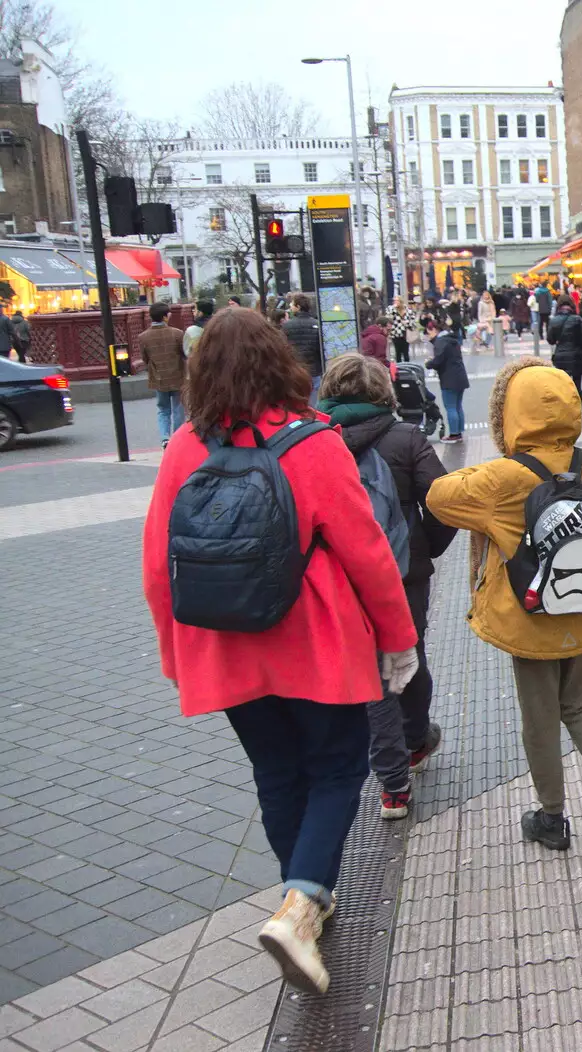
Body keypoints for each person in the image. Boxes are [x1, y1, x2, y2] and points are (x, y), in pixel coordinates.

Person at [140, 307, 418, 994]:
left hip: (226, 647)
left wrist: (177, 653)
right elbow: (369, 556)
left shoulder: (184, 448)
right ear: (283, 363)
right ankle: (301, 904)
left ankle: (305, 898)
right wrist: (398, 640)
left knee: (277, 773)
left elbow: (155, 566)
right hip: (315, 644)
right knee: (335, 768)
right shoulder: (313, 443)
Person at [426, 359, 582, 850]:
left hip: (532, 618)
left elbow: (439, 497)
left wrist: (489, 469)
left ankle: (552, 817)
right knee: (580, 706)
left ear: (510, 413)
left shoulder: (503, 477)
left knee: (541, 722)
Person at [316, 355, 454, 819]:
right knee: (406, 656)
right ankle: (410, 751)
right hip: (403, 574)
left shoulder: (316, 440)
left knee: (371, 670)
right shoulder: (405, 437)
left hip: (344, 575)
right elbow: (444, 502)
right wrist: (424, 549)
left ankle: (394, 780)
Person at [139, 302, 187, 446]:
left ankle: (165, 437)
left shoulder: (143, 337)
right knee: (179, 409)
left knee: (163, 409)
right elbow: (184, 354)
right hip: (178, 377)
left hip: (159, 378)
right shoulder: (177, 334)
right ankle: (177, 437)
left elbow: (145, 359)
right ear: (165, 317)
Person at [424, 316, 468, 442]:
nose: (428, 336)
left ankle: (454, 434)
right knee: (458, 406)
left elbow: (438, 361)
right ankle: (459, 431)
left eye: (429, 332)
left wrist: (428, 363)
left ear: (434, 330)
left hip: (449, 379)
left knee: (450, 407)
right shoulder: (451, 339)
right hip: (460, 376)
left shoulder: (440, 342)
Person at [545, 294, 582, 394]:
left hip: (560, 357)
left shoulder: (554, 320)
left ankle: (565, 407)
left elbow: (550, 340)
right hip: (576, 356)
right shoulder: (577, 319)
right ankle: (578, 406)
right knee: (577, 387)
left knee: (562, 387)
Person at [282, 294, 325, 398]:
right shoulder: (317, 324)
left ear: (298, 307)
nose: (290, 307)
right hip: (315, 369)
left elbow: (283, 348)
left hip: (295, 369)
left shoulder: (287, 326)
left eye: (292, 304)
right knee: (315, 398)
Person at [386, 296, 417, 363]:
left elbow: (414, 324)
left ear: (401, 301)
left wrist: (407, 323)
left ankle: (407, 366)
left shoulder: (408, 311)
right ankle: (399, 368)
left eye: (397, 300)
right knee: (398, 352)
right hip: (395, 333)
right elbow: (388, 319)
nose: (395, 302)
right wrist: (393, 308)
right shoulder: (391, 310)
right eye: (394, 300)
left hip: (406, 334)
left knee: (406, 352)